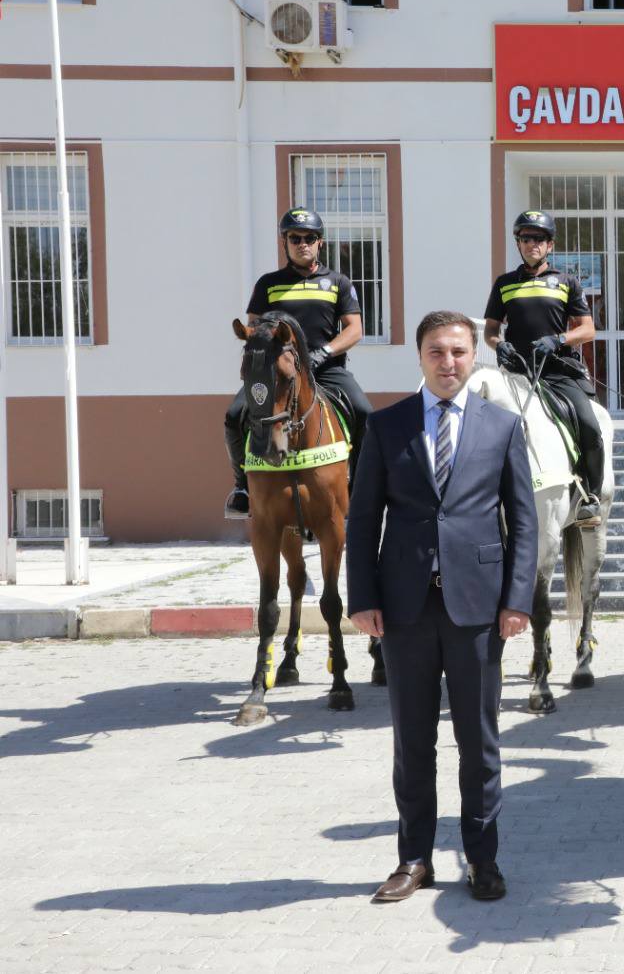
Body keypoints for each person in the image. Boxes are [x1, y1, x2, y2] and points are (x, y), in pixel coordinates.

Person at [347, 310, 538, 904]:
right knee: (413, 742)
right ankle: (413, 859)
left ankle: (483, 860)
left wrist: (517, 600)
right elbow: (361, 521)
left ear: (474, 355)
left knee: (479, 743)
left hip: (479, 610)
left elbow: (524, 522)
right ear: (421, 357)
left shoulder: (502, 426)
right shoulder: (386, 426)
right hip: (404, 609)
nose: (448, 362)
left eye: (459, 351)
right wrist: (363, 599)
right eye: (437, 352)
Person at [223, 207, 373, 517]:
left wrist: (324, 353)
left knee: (364, 412)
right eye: (294, 238)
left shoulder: (338, 282)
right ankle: (242, 487)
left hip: (326, 369)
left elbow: (355, 329)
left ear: (320, 243)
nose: (302, 243)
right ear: (285, 242)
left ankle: (359, 485)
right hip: (278, 372)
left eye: (309, 237)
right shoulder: (268, 283)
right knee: (234, 414)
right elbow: (255, 329)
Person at [484, 209, 604, 526]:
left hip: (557, 371)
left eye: (538, 239)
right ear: (518, 243)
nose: (531, 244)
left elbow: (588, 329)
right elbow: (490, 331)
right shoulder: (504, 284)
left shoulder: (566, 282)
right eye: (525, 238)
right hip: (517, 372)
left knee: (590, 427)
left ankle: (590, 497)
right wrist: (501, 345)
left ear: (549, 245)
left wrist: (559, 339)